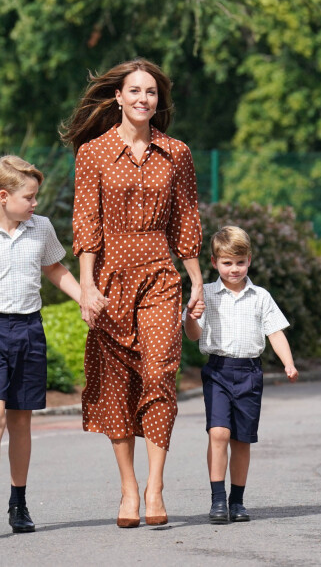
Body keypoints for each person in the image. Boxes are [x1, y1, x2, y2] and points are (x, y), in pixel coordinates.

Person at [60, 58, 204, 528]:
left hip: (161, 274)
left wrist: (197, 279)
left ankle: (155, 485)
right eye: (135, 91)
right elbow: (86, 224)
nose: (144, 99)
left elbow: (185, 219)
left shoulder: (176, 152)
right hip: (109, 277)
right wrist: (86, 287)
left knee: (161, 371)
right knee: (117, 383)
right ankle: (127, 489)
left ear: (158, 101)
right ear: (118, 97)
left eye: (152, 93)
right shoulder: (94, 154)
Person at [183, 226, 298, 523]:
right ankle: (217, 499)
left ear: (249, 260)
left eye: (240, 262)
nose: (234, 269)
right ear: (214, 262)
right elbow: (193, 334)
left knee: (242, 440)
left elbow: (275, 332)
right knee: (218, 433)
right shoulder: (205, 294)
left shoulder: (260, 297)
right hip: (218, 370)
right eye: (227, 263)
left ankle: (237, 500)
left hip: (249, 372)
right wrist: (192, 317)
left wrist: (288, 362)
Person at [0, 155, 88, 533]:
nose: (35, 203)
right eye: (29, 197)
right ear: (3, 196)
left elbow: (54, 268)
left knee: (21, 420)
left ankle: (18, 502)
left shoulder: (40, 227)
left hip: (29, 329)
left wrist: (85, 296)